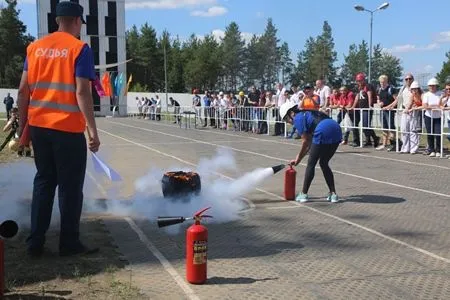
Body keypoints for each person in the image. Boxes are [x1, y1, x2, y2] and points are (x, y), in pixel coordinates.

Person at [17, 1, 100, 257]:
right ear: (77, 21)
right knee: (70, 187)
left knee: (43, 182)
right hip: (67, 129)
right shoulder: (79, 49)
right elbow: (82, 91)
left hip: (40, 128)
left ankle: (35, 243)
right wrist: (93, 131)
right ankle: (69, 243)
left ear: (56, 21)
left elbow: (23, 92)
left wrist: (23, 131)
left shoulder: (34, 48)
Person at [280, 102, 342, 203]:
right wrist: (298, 158)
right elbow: (309, 143)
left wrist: (298, 159)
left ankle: (304, 194)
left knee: (311, 164)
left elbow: (306, 142)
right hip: (336, 128)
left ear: (291, 113)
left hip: (323, 129)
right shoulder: (307, 113)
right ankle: (333, 194)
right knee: (323, 163)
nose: (288, 122)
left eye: (286, 119)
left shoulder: (298, 118)